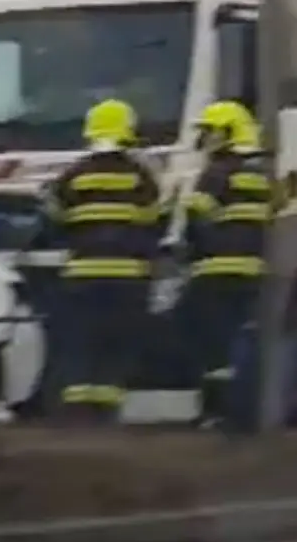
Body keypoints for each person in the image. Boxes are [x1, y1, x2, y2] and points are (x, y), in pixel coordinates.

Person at [43, 98, 163, 424]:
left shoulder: (73, 176)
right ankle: (107, 413)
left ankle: (77, 412)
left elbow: (54, 222)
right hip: (128, 278)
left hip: (82, 275)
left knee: (80, 343)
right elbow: (156, 221)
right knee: (117, 345)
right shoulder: (141, 177)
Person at [180, 100, 273, 431]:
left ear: (228, 132)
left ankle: (215, 413)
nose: (206, 139)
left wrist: (190, 252)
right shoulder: (262, 174)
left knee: (214, 349)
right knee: (245, 341)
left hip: (214, 272)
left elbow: (196, 217)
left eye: (210, 132)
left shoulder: (215, 173)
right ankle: (243, 413)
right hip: (253, 271)